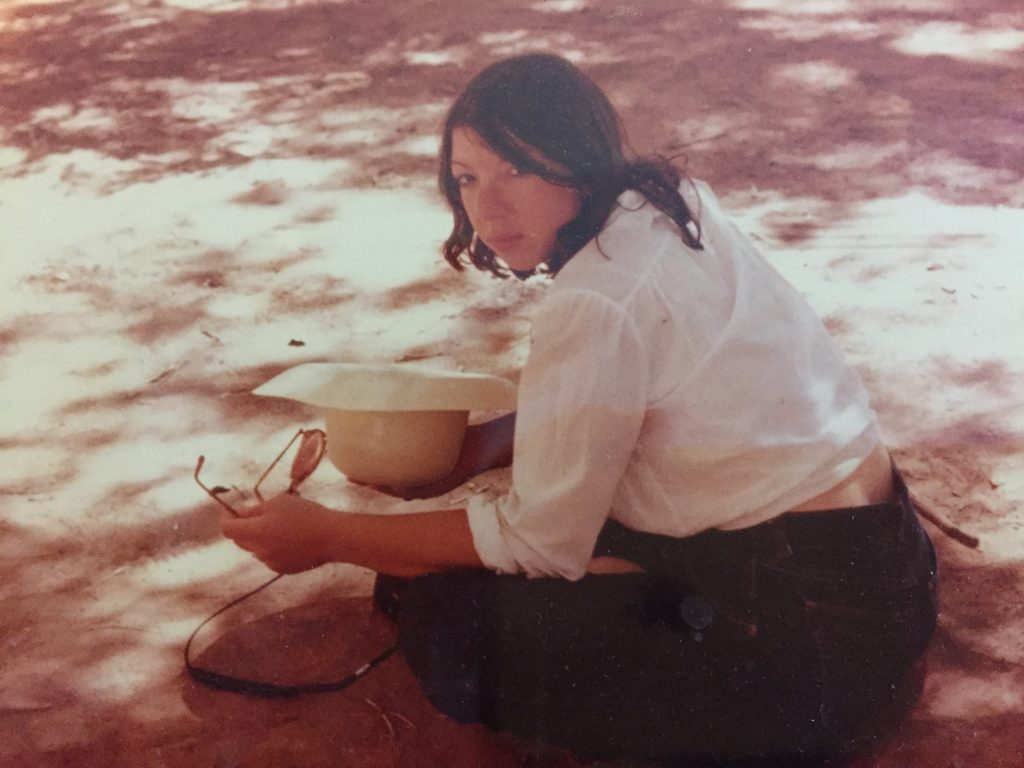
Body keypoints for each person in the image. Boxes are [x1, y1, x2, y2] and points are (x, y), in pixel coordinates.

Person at [221, 54, 937, 765]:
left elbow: (538, 542)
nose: (487, 209)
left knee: (443, 615)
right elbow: (636, 390)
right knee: (459, 563)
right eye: (468, 179)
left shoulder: (595, 298)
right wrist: (480, 450)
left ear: (575, 160)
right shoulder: (667, 201)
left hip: (808, 655)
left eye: (517, 171)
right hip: (886, 567)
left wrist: (328, 535)